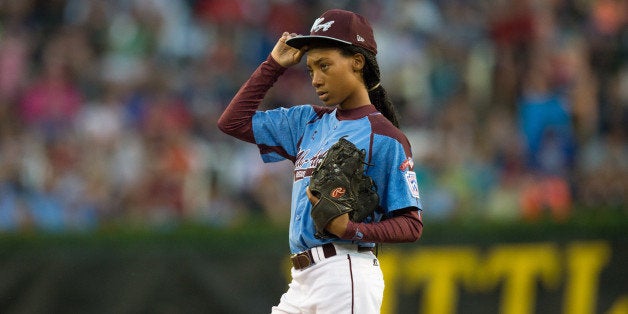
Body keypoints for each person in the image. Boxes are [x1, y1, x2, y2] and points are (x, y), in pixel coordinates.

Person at [218, 9, 423, 313]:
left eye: (324, 65)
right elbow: (233, 122)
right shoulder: (308, 121)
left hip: (346, 271)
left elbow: (411, 225)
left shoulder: (383, 136)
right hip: (301, 280)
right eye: (311, 68)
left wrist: (351, 229)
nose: (316, 78)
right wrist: (272, 66)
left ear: (357, 61)